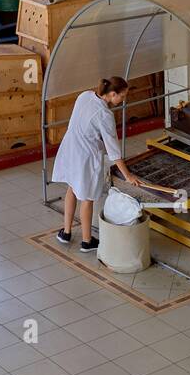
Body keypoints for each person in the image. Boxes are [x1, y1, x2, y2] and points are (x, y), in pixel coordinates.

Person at [51, 76, 141, 253]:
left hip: (70, 148)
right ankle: (86, 241)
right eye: (121, 96)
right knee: (87, 197)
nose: (123, 100)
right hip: (85, 156)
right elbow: (113, 149)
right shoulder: (105, 115)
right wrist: (128, 175)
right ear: (112, 94)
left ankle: (66, 233)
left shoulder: (84, 96)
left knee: (72, 188)